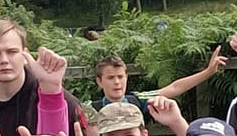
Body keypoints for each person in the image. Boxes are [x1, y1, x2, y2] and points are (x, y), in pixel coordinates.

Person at [93, 49, 222, 119]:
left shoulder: (138, 100)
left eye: (120, 77)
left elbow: (174, 88)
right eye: (110, 78)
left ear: (126, 77)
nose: (117, 82)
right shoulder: (90, 109)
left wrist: (208, 72)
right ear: (99, 81)